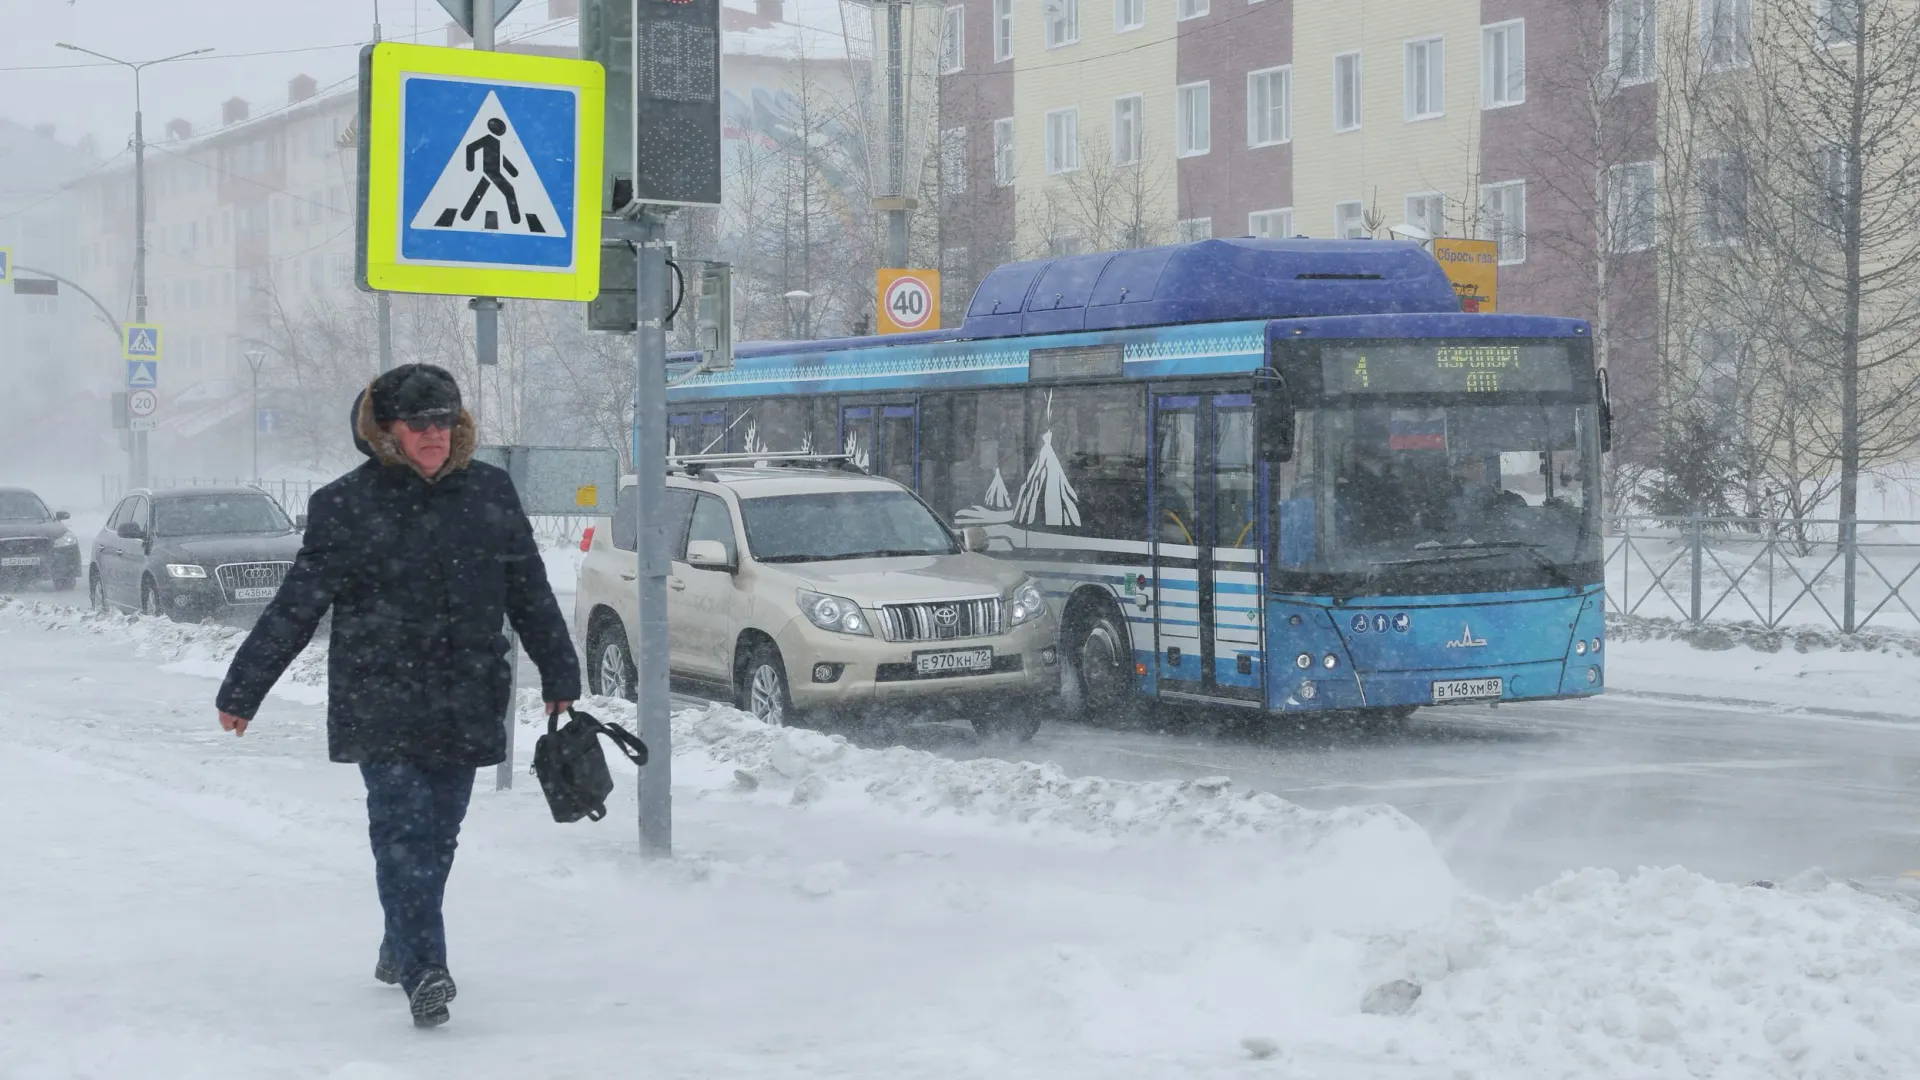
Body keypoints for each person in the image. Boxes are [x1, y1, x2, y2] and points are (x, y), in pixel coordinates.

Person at [215, 364, 579, 1029]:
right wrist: (245, 686)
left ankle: (399, 941)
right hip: (378, 697)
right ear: (387, 431)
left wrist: (560, 673)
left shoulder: (491, 493)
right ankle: (426, 971)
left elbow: (529, 589)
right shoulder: (345, 504)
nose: (434, 434)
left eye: (445, 421)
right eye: (419, 424)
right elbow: (298, 605)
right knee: (403, 830)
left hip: (468, 693)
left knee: (438, 836)